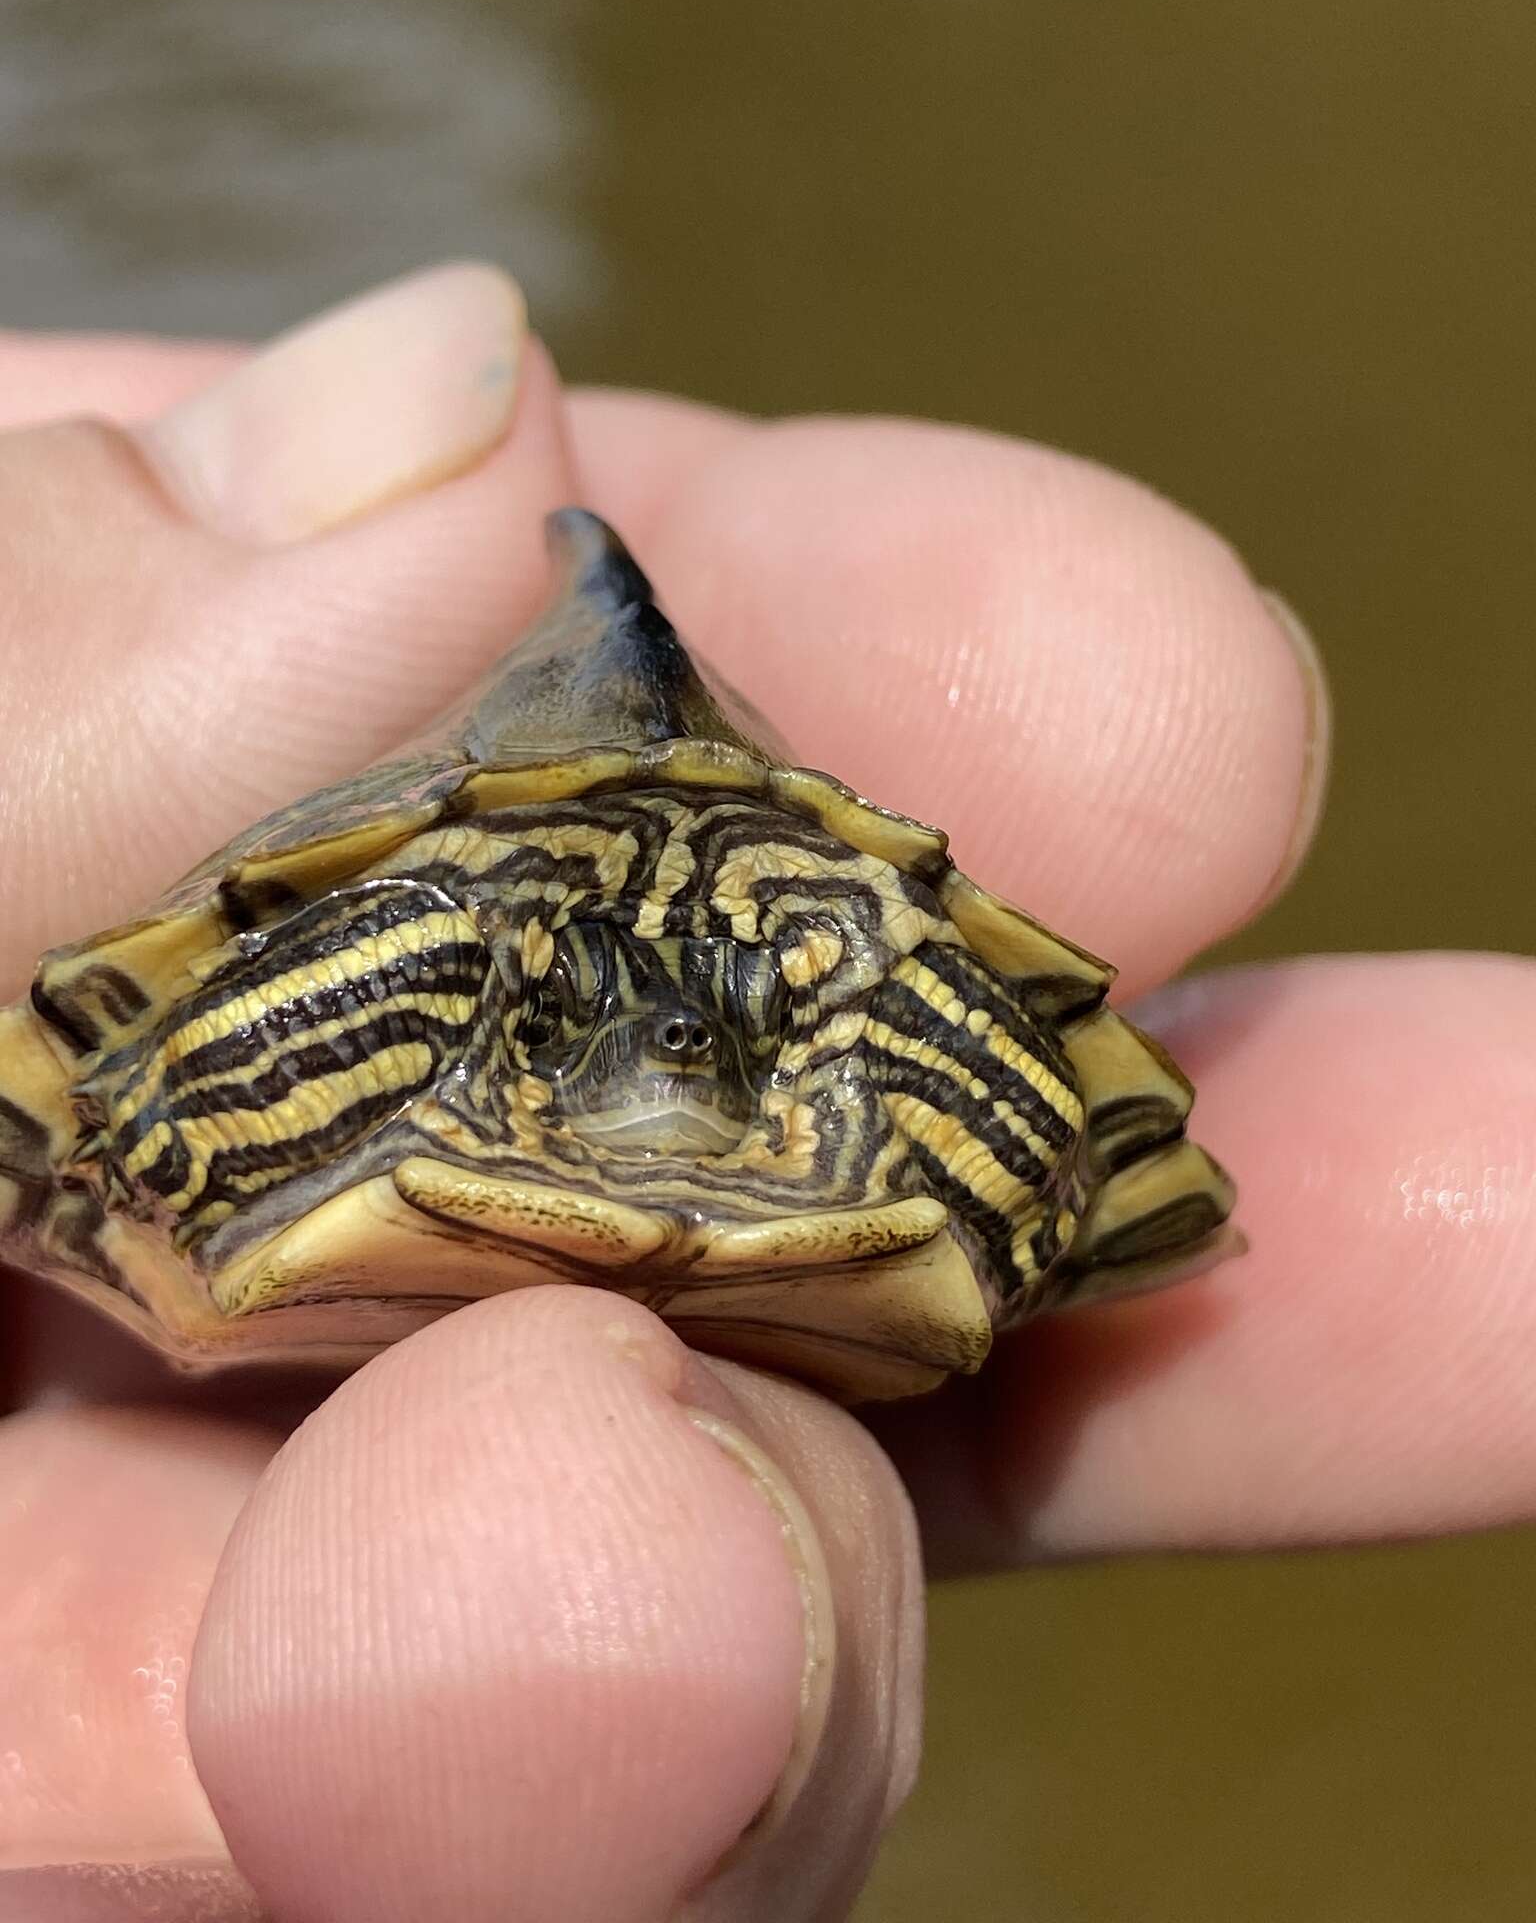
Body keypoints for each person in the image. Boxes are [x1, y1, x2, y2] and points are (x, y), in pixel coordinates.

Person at [0, 264, 1523, 1923]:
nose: (669, 1048)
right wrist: (161, 1140)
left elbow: (985, 1063)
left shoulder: (835, 959)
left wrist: (1024, 1177)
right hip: (312, 1166)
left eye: (730, 1010)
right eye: (597, 1007)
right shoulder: (455, 921)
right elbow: (295, 981)